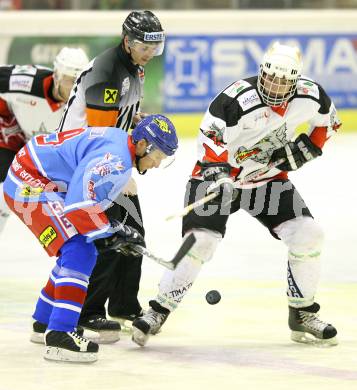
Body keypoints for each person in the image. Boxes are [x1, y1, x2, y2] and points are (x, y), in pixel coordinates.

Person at [131, 42, 341, 347]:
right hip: (215, 178)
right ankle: (158, 310)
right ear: (261, 73)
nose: (276, 86)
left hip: (266, 181)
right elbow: (209, 139)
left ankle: (302, 313)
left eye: (284, 81)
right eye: (271, 78)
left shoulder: (312, 95)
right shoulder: (234, 100)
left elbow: (328, 123)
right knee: (201, 242)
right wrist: (220, 174)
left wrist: (306, 150)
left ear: (295, 82)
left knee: (310, 233)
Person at [3, 114, 178, 362]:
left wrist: (113, 231)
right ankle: (59, 335)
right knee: (80, 251)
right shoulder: (116, 160)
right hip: (29, 181)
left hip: (33, 173)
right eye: (158, 156)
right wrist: (112, 233)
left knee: (77, 250)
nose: (158, 164)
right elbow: (78, 207)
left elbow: (87, 201)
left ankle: (43, 322)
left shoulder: (120, 147)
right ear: (141, 145)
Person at [57, 10, 166, 342]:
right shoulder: (107, 70)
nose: (149, 53)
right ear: (127, 41)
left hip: (104, 157)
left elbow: (116, 117)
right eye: (144, 46)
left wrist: (137, 118)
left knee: (133, 233)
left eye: (154, 47)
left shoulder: (134, 66)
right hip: (85, 162)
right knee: (107, 236)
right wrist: (118, 177)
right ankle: (89, 312)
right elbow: (98, 131)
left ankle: (123, 305)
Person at [0, 47, 89, 238]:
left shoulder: (87, 101)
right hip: (15, 139)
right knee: (3, 193)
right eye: (71, 80)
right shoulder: (26, 83)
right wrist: (6, 116)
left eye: (81, 81)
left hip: (47, 157)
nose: (76, 87)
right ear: (56, 75)